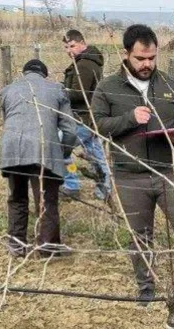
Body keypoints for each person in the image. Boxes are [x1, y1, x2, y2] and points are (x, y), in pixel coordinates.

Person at [91, 24, 174, 316]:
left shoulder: (170, 84)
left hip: (169, 170)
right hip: (129, 175)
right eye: (140, 59)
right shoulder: (108, 88)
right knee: (140, 235)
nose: (147, 64)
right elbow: (98, 125)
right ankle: (146, 290)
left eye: (151, 58)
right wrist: (129, 118)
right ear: (126, 55)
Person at [0, 60, 77, 257]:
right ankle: (47, 248)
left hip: (12, 149)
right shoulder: (57, 89)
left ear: (24, 73)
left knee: (16, 198)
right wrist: (64, 153)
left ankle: (16, 246)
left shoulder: (8, 90)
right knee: (46, 200)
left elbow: (7, 119)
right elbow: (70, 130)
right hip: (43, 149)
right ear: (45, 74)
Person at [60, 29, 111, 201]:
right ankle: (104, 188)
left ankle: (71, 185)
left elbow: (79, 93)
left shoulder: (83, 65)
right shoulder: (91, 61)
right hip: (92, 118)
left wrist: (60, 92)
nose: (69, 50)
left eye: (72, 46)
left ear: (82, 43)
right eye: (66, 47)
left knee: (61, 148)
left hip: (81, 118)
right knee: (95, 154)